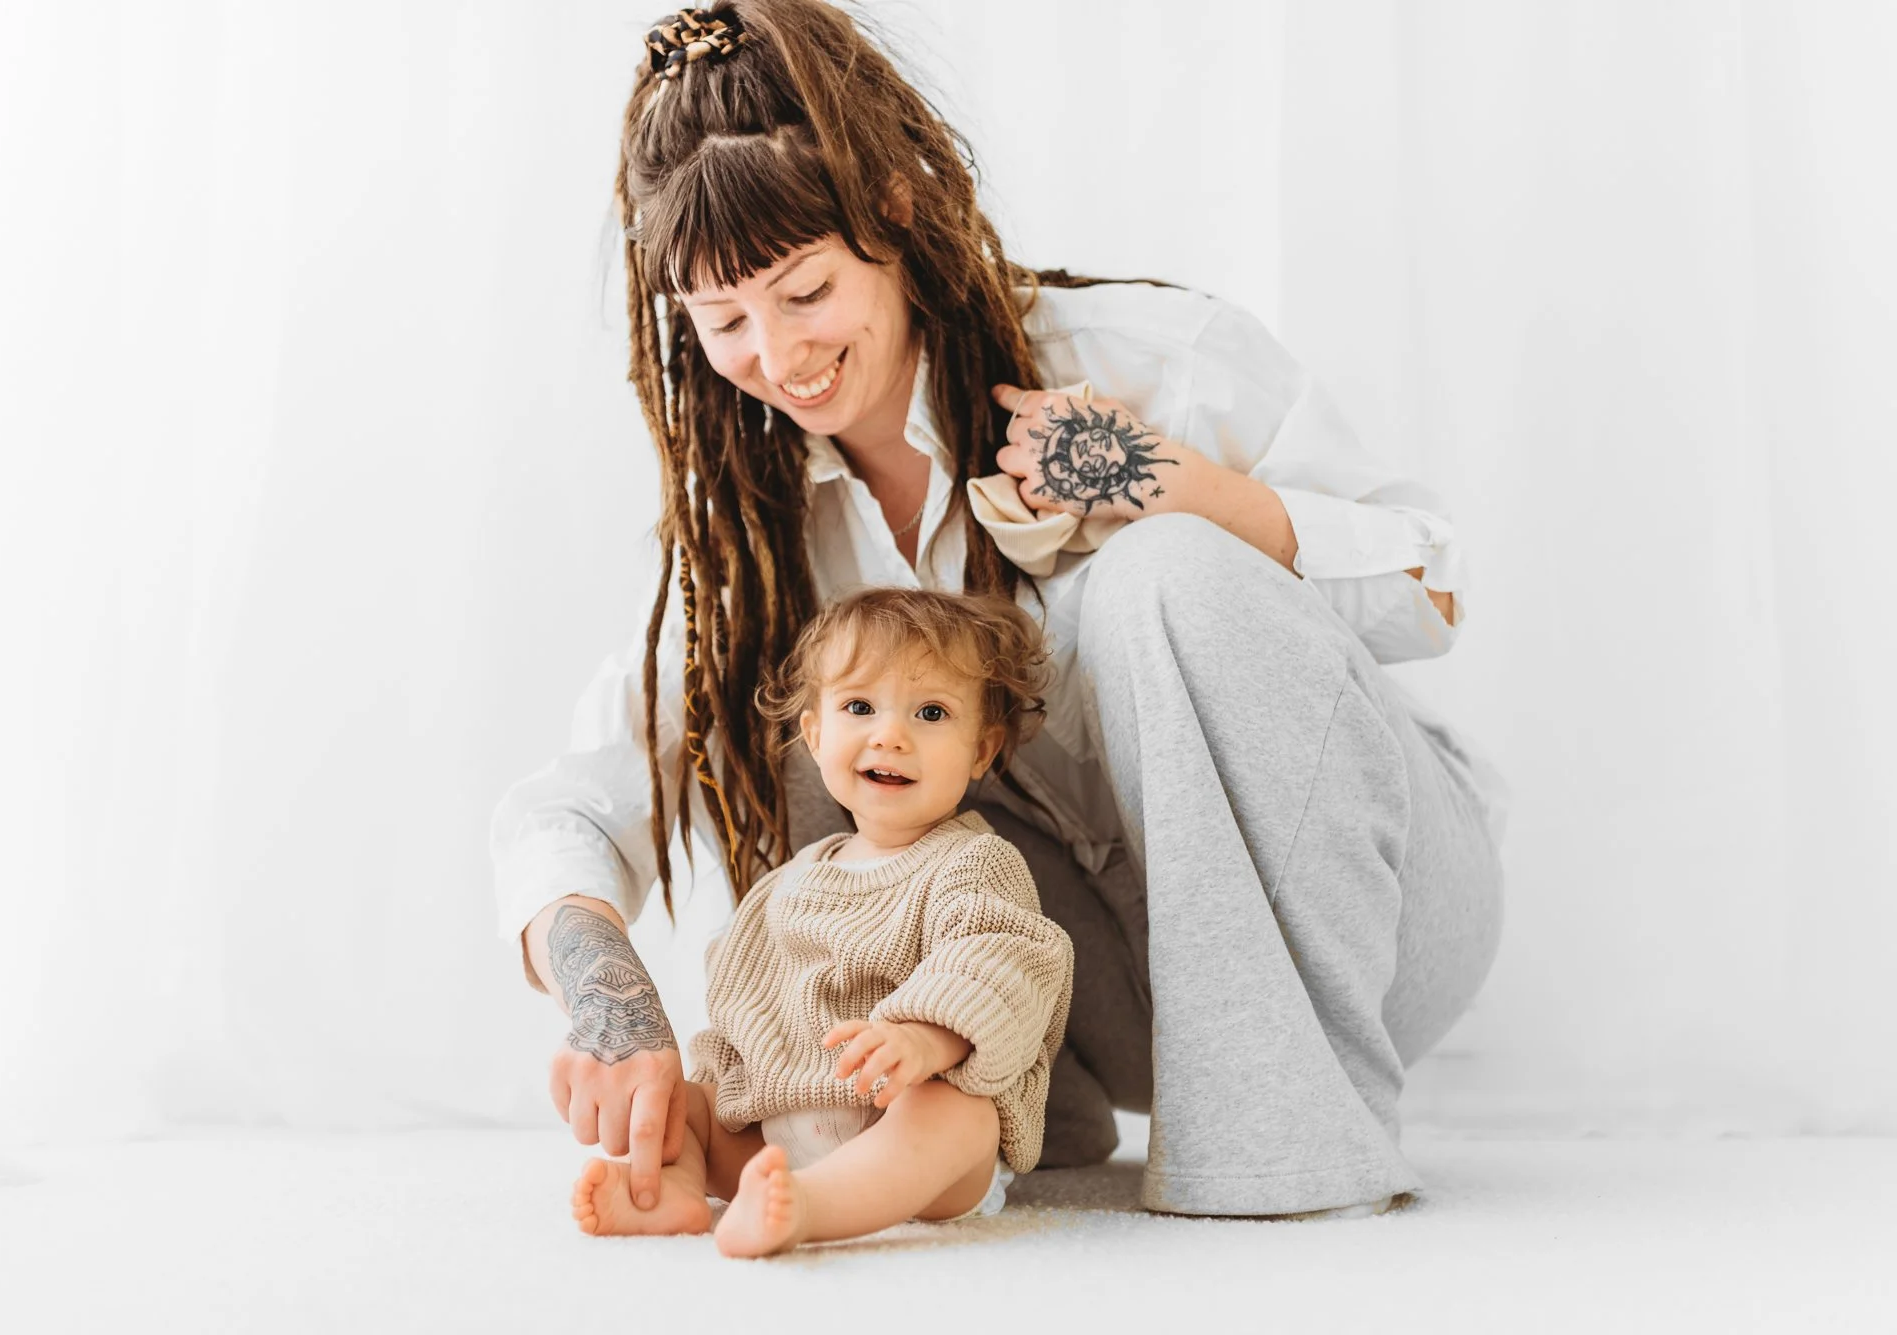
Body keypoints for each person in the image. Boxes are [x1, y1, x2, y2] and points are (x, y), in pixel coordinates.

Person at [491, 0, 1507, 1221]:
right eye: (725, 323)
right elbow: (581, 794)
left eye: (806, 291)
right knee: (821, 698)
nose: (777, 354)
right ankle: (984, 1125)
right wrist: (618, 1009)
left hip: (1371, 923)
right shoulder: (754, 525)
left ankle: (1281, 1148)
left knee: (1159, 572)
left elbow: (1427, 591)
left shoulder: (1134, 352)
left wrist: (1168, 488)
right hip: (1104, 999)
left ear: (896, 216)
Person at [570, 587, 1072, 1255]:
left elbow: (1000, 964)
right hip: (781, 1126)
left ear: (981, 749)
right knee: (684, 1102)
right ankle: (678, 1187)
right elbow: (743, 1011)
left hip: (910, 1138)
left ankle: (814, 1207)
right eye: (859, 707)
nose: (889, 734)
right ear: (815, 734)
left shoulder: (974, 863)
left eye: (930, 712)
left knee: (961, 1114)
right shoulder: (784, 884)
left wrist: (924, 1039)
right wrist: (717, 1092)